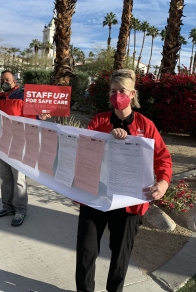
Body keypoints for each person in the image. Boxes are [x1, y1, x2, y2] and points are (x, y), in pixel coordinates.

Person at [75, 69, 172, 292]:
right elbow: (84, 153)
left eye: (122, 91)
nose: (117, 95)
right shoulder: (99, 121)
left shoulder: (146, 125)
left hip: (128, 201)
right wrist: (108, 135)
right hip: (96, 197)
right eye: (113, 91)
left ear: (132, 93)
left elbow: (163, 158)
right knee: (86, 250)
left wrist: (164, 182)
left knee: (121, 253)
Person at [0, 70, 50, 227]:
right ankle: (7, 207)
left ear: (15, 81)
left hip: (19, 143)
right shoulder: (0, 98)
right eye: (2, 79)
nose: (4, 82)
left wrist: (40, 116)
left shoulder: (24, 97)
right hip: (2, 142)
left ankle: (20, 210)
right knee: (5, 177)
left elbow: (34, 118)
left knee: (19, 179)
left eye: (7, 79)